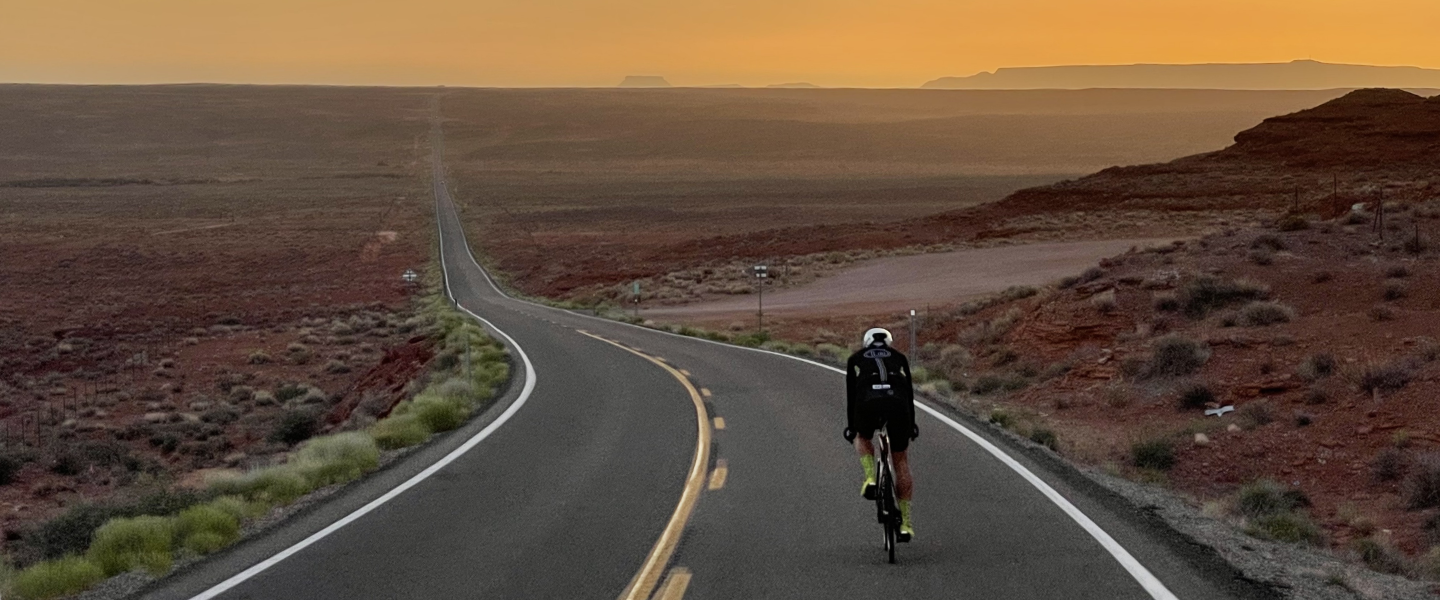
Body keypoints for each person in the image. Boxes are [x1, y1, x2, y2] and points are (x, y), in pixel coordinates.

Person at [843, 327, 917, 542]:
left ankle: (870, 478)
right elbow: (909, 393)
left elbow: (851, 396)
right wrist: (912, 424)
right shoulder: (899, 357)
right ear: (888, 342)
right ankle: (906, 524)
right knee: (901, 460)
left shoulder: (855, 359)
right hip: (898, 407)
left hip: (867, 405)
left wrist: (851, 426)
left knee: (862, 437)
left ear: (866, 342)